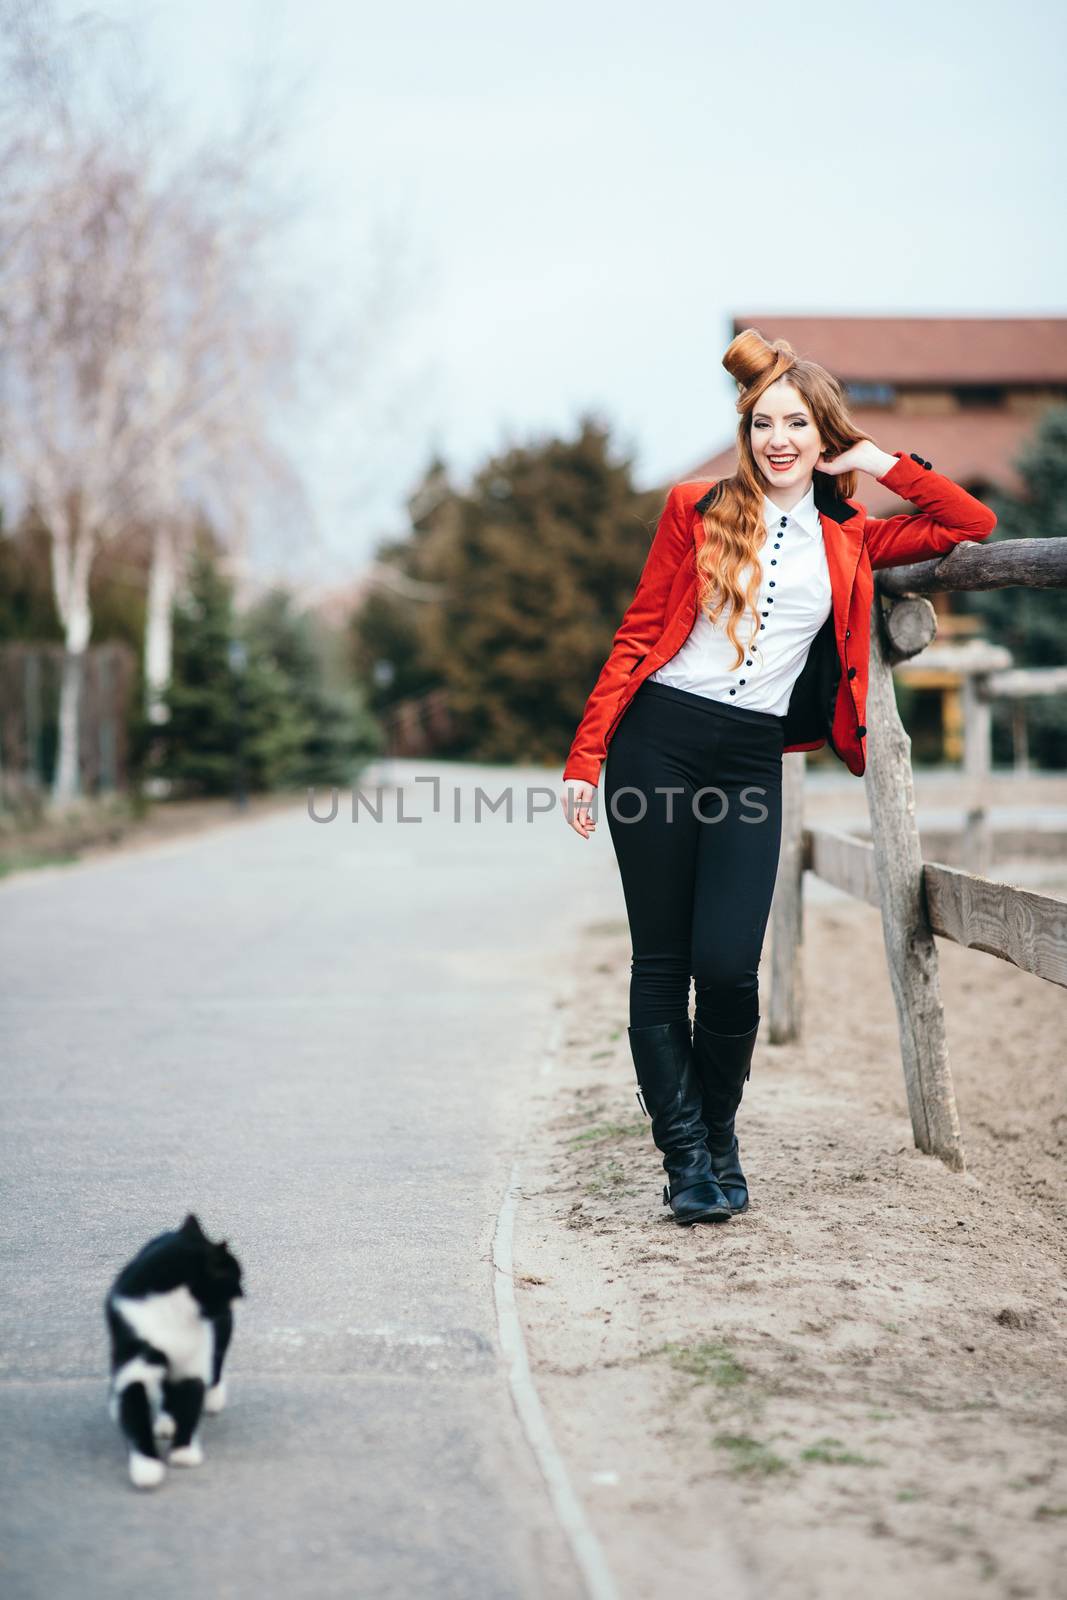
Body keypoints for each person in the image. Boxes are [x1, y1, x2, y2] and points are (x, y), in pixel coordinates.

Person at [559, 328, 997, 1226]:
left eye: (797, 422)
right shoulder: (694, 506)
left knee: (727, 969)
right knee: (662, 963)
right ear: (745, 432)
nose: (779, 438)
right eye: (763, 423)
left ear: (821, 432)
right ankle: (685, 1161)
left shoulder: (852, 537)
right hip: (659, 742)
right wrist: (586, 757)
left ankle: (718, 1133)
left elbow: (970, 524)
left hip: (750, 755)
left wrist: (878, 459)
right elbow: (639, 634)